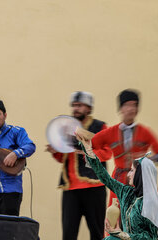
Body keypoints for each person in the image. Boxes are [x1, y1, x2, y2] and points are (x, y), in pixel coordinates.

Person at [91, 89, 158, 229]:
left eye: (134, 105)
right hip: (119, 180)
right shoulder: (110, 132)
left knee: (145, 219)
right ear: (121, 108)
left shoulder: (145, 132)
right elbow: (92, 143)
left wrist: (145, 161)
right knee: (117, 221)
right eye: (127, 105)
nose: (131, 109)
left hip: (141, 180)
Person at [76, 131, 158, 240]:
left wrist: (122, 235)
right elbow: (106, 178)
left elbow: (152, 237)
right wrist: (89, 150)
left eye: (132, 171)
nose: (128, 174)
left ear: (139, 175)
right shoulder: (126, 193)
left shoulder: (150, 202)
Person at [46, 91, 112, 240]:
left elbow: (107, 153)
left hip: (94, 188)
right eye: (74, 106)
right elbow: (63, 157)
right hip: (70, 190)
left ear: (89, 108)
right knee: (68, 234)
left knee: (97, 234)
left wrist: (88, 152)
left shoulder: (100, 126)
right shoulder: (66, 127)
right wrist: (55, 150)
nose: (76, 109)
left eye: (80, 105)